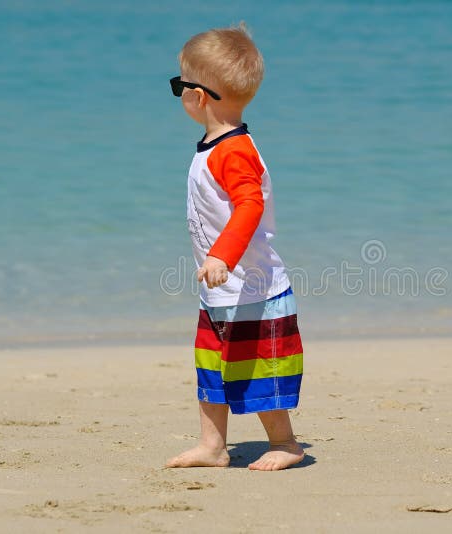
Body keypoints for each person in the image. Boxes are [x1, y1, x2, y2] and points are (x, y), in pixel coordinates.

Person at [165, 24, 305, 471]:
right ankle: (212, 445)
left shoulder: (234, 151)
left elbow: (249, 206)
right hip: (221, 291)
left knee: (260, 370)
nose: (180, 95)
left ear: (198, 96)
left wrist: (221, 255)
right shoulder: (214, 147)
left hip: (255, 291)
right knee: (212, 369)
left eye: (179, 86)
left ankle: (285, 443)